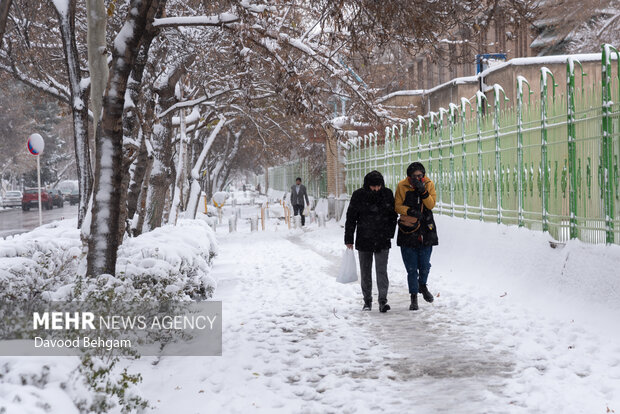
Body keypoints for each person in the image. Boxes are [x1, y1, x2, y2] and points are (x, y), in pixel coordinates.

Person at [344, 171, 397, 312]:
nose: (376, 189)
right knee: (366, 271)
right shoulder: (358, 195)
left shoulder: (387, 194)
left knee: (382, 271)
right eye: (373, 186)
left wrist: (389, 234)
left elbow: (393, 215)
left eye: (378, 186)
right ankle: (367, 301)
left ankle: (382, 301)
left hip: (382, 239)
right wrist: (349, 239)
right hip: (364, 238)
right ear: (367, 185)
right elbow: (351, 218)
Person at [394, 162, 439, 311]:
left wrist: (423, 192)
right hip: (408, 228)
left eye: (420, 176)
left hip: (426, 228)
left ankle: (423, 285)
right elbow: (397, 206)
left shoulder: (429, 184)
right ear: (409, 177)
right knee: (411, 267)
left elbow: (431, 205)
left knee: (425, 264)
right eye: (414, 176)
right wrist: (410, 211)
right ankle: (413, 297)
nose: (418, 178)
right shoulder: (402, 186)